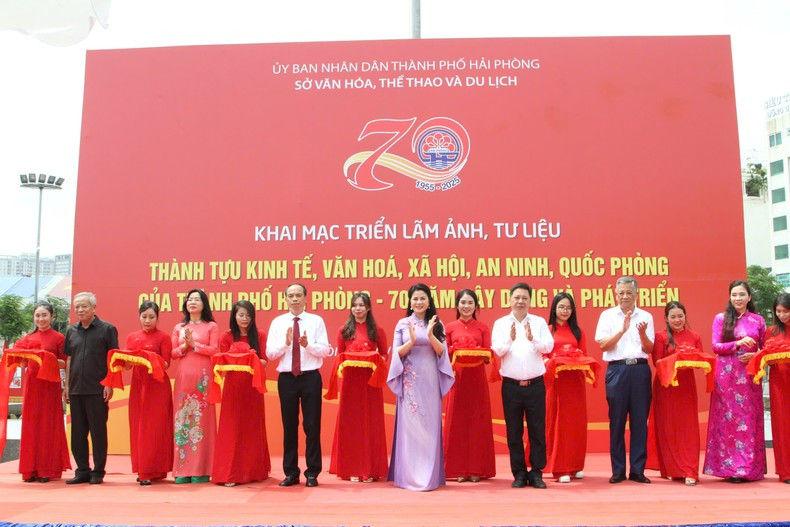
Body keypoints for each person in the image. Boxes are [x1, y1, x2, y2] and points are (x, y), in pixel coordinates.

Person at [387, 283, 454, 491]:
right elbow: (396, 353)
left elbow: (442, 353)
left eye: (422, 298)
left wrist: (432, 335)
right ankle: (409, 476)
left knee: (430, 426)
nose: (418, 302)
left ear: (429, 301)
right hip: (410, 380)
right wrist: (412, 342)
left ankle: (429, 476)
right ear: (410, 301)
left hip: (430, 380)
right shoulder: (402, 324)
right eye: (415, 299)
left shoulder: (436, 323)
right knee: (411, 427)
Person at [266, 283, 332, 488]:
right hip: (287, 379)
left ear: (306, 298)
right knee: (289, 426)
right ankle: (291, 473)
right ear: (285, 298)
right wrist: (286, 343)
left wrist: (307, 345)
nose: (294, 299)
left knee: (312, 426)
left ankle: (312, 473)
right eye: (290, 296)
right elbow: (269, 354)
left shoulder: (316, 321)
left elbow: (325, 351)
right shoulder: (277, 322)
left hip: (311, 377)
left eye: (298, 295)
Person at [492, 282, 553, 489]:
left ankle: (536, 472)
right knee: (514, 431)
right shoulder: (500, 324)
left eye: (524, 298)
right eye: (516, 297)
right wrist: (510, 339)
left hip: (535, 385)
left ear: (530, 301)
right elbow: (498, 351)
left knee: (537, 430)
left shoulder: (539, 322)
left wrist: (532, 338)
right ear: (510, 300)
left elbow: (548, 346)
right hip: (511, 387)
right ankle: (518, 473)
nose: (520, 301)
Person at [704, 280, 766, 482]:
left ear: (749, 297)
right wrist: (738, 343)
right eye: (734, 295)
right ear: (729, 297)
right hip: (726, 377)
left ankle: (749, 468)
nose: (738, 298)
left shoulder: (758, 321)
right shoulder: (721, 319)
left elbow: (765, 349)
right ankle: (729, 468)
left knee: (748, 421)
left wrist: (755, 355)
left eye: (741, 295)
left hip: (749, 377)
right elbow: (715, 346)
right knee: (727, 422)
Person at [595, 276, 654, 484]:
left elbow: (650, 349)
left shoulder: (646, 316)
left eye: (629, 293)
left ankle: (638, 470)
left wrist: (643, 334)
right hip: (617, 371)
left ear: (637, 294)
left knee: (640, 422)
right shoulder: (607, 316)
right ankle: (618, 470)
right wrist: (622, 330)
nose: (625, 297)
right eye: (621, 293)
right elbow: (603, 346)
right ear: (615, 294)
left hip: (640, 370)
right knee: (617, 421)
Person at [328, 292, 388, 482]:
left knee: (370, 422)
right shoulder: (344, 330)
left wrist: (374, 359)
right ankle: (351, 468)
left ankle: (370, 469)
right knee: (351, 424)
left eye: (361, 305)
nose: (358, 309)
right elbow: (340, 356)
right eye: (354, 305)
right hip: (350, 384)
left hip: (370, 383)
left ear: (368, 308)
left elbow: (385, 355)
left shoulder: (377, 329)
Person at [213, 300, 270, 486]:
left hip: (253, 387)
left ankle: (253, 471)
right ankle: (230, 473)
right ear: (234, 316)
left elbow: (264, 361)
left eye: (248, 315)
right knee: (232, 427)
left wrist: (250, 359)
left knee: (252, 426)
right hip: (233, 387)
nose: (244, 319)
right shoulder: (227, 336)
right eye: (241, 315)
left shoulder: (259, 335)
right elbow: (223, 362)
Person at [63, 292, 118, 485]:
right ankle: (82, 471)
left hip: (97, 389)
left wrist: (109, 383)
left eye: (84, 306)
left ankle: (98, 471)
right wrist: (67, 386)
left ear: (94, 307)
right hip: (76, 389)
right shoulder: (71, 331)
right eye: (77, 306)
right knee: (77, 433)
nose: (80, 310)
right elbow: (69, 359)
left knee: (98, 432)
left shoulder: (107, 329)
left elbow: (113, 359)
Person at [443, 289, 495, 482]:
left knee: (477, 422)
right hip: (457, 377)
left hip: (477, 377)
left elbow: (489, 354)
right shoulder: (449, 327)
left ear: (476, 306)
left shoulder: (482, 327)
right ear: (457, 305)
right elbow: (444, 355)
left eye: (470, 303)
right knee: (457, 421)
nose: (466, 306)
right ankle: (457, 470)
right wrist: (454, 350)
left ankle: (476, 470)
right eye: (463, 303)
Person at [650, 301, 705, 486]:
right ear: (666, 318)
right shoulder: (660, 336)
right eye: (673, 317)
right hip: (665, 386)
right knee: (668, 427)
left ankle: (690, 470)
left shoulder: (694, 336)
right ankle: (672, 469)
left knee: (688, 428)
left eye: (680, 316)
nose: (677, 320)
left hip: (686, 386)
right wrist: (676, 359)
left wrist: (688, 358)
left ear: (685, 316)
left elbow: (700, 359)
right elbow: (656, 361)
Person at [17, 302, 70, 483]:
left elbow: (65, 363)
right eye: (38, 315)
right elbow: (22, 364)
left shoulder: (58, 338)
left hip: (50, 385)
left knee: (49, 425)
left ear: (52, 316)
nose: (41, 319)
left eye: (44, 315)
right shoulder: (27, 338)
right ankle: (30, 469)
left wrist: (47, 359)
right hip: (32, 386)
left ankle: (47, 469)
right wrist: (23, 358)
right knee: (32, 425)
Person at [171, 288, 219, 484]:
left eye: (197, 299)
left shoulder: (211, 326)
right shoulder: (179, 327)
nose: (192, 302)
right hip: (184, 377)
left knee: (202, 421)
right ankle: (182, 470)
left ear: (204, 304)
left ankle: (202, 470)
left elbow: (215, 351)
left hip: (203, 379)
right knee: (182, 420)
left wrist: (195, 345)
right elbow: (173, 353)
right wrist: (185, 346)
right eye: (190, 299)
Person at [125, 301, 174, 486]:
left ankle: (155, 469)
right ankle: (142, 469)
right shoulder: (132, 337)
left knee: (155, 428)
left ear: (157, 318)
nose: (147, 320)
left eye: (151, 317)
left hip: (158, 386)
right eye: (144, 317)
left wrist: (149, 358)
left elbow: (167, 364)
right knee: (139, 426)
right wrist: (125, 360)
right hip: (139, 386)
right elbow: (128, 364)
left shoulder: (164, 337)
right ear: (139, 316)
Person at [545, 292, 588, 484]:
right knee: (559, 422)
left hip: (575, 382)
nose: (565, 311)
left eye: (568, 308)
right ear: (554, 308)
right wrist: (552, 361)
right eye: (561, 307)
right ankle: (559, 467)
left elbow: (584, 354)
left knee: (576, 423)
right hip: (556, 381)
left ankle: (576, 464)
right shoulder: (548, 330)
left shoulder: (578, 331)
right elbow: (542, 356)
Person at [767, 293, 790, 483]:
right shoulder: (771, 331)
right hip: (778, 382)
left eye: (786, 311)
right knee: (782, 426)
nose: (782, 315)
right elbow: (764, 355)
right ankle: (785, 471)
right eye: (779, 311)